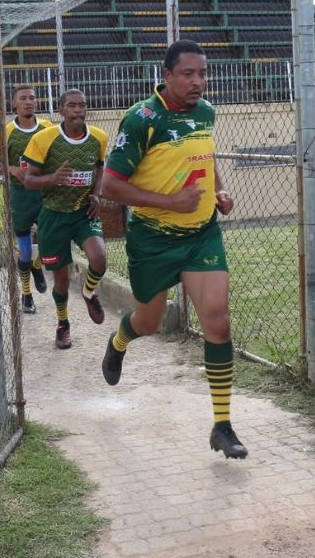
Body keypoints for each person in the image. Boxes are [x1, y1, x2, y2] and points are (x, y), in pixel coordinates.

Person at [101, 39, 248, 460]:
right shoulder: (141, 119)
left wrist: (219, 189)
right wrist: (170, 202)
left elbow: (205, 154)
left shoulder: (205, 112)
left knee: (217, 323)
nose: (198, 81)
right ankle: (120, 341)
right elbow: (110, 186)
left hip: (201, 234)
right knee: (149, 321)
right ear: (166, 76)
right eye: (188, 74)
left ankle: (222, 425)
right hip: (152, 239)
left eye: (202, 73)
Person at [22, 88, 109, 350]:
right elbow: (28, 180)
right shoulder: (44, 139)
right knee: (61, 280)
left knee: (99, 259)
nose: (78, 110)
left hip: (83, 212)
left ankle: (88, 292)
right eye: (72, 105)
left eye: (82, 105)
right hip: (53, 215)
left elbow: (99, 167)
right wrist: (52, 178)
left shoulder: (99, 138)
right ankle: (63, 325)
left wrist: (96, 193)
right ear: (61, 110)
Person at [0, 85, 52, 314]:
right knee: (25, 251)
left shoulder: (48, 128)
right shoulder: (4, 133)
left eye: (32, 98)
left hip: (46, 193)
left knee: (50, 244)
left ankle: (38, 267)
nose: (29, 102)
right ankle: (26, 295)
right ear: (14, 104)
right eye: (23, 98)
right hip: (20, 196)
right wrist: (11, 168)